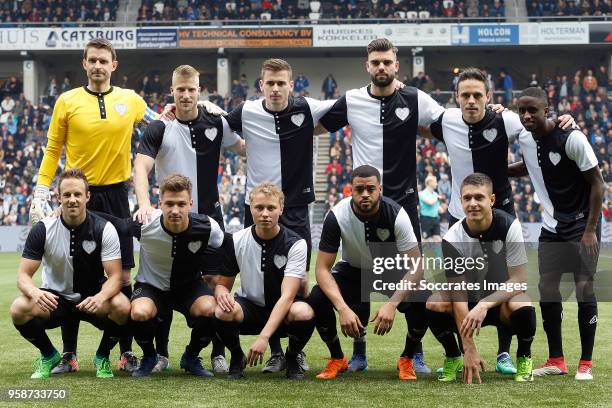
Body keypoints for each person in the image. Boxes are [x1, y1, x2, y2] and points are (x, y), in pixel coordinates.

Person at [29, 38, 160, 374]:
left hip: (116, 195)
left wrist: (198, 109)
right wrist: (42, 191)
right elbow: (52, 148)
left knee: (123, 276)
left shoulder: (129, 100)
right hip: (78, 196)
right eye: (93, 61)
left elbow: (160, 122)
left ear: (114, 65)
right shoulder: (67, 101)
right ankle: (69, 355)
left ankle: (124, 352)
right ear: (84, 64)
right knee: (73, 273)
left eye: (104, 60)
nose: (99, 66)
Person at [318, 37, 442, 373]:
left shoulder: (415, 98)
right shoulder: (353, 100)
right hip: (363, 204)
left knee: (414, 284)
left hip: (403, 206)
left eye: (387, 62)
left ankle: (414, 353)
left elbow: (450, 122)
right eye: (376, 62)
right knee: (359, 278)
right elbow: (314, 124)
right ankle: (359, 352)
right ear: (367, 65)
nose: (381, 67)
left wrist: (496, 112)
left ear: (396, 65)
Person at [224, 58, 335, 372]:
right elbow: (216, 126)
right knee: (259, 280)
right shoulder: (246, 111)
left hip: (296, 207)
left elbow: (348, 106)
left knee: (298, 282)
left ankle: (295, 351)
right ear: (261, 85)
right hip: (258, 206)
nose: (275, 88)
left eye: (281, 82)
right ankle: (275, 350)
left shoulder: (307, 108)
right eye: (269, 83)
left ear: (291, 84)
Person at [133, 65, 245, 373]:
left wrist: (222, 111)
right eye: (180, 89)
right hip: (168, 219)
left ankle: (216, 353)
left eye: (191, 89)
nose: (185, 95)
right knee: (162, 281)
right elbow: (140, 167)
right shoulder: (160, 126)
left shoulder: (215, 122)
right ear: (172, 91)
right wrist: (144, 205)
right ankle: (161, 354)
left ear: (199, 91)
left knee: (215, 284)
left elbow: (244, 148)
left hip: (208, 218)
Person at [510, 87, 604, 380]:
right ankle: (556, 360)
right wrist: (499, 171)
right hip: (551, 227)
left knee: (584, 288)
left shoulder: (572, 138)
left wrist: (590, 230)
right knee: (548, 289)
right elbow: (530, 166)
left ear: (546, 110)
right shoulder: (525, 138)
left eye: (533, 110)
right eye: (521, 110)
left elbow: (598, 184)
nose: (526, 116)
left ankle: (585, 363)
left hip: (580, 225)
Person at [10, 168, 131, 379]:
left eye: (77, 194)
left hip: (92, 298)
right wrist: (35, 292)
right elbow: (23, 276)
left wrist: (101, 297)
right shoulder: (43, 229)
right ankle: (49, 355)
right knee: (19, 308)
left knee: (122, 306)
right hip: (55, 300)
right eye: (66, 195)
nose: (72, 200)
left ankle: (102, 356)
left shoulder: (105, 228)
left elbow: (115, 277)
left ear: (87, 196)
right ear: (59, 198)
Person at [308, 165, 425, 380]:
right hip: (353, 269)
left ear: (379, 189)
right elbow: (322, 269)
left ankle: (407, 358)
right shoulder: (336, 216)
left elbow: (416, 267)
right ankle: (337, 357)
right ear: (350, 190)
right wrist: (342, 308)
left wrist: (391, 304)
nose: (365, 195)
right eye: (359, 189)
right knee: (317, 295)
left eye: (370, 189)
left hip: (388, 269)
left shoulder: (397, 214)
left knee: (422, 293)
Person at [425, 173, 536, 384]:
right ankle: (454, 356)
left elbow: (519, 280)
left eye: (479, 197)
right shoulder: (451, 238)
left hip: (498, 303)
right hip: (467, 303)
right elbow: (458, 295)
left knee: (522, 302)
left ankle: (524, 357)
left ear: (492, 200)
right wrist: (469, 348)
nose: (473, 203)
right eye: (467, 198)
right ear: (461, 201)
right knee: (434, 303)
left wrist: (484, 304)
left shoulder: (509, 226)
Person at [116, 174, 225, 378]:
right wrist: (68, 213)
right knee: (139, 312)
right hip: (152, 287)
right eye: (170, 204)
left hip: (189, 286)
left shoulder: (207, 226)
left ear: (190, 204)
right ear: (160, 203)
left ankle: (191, 356)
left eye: (181, 204)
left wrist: (220, 284)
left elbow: (227, 246)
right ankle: (149, 356)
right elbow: (115, 224)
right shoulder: (145, 223)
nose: (175, 210)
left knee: (212, 310)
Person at [214, 182, 315, 380]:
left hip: (284, 310)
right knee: (221, 310)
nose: (265, 214)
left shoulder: (296, 244)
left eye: (271, 208)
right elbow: (221, 285)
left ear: (281, 209)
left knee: (303, 312)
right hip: (251, 308)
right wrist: (221, 293)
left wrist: (264, 338)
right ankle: (236, 356)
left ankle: (292, 357)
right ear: (251, 208)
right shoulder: (236, 240)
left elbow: (287, 297)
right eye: (259, 208)